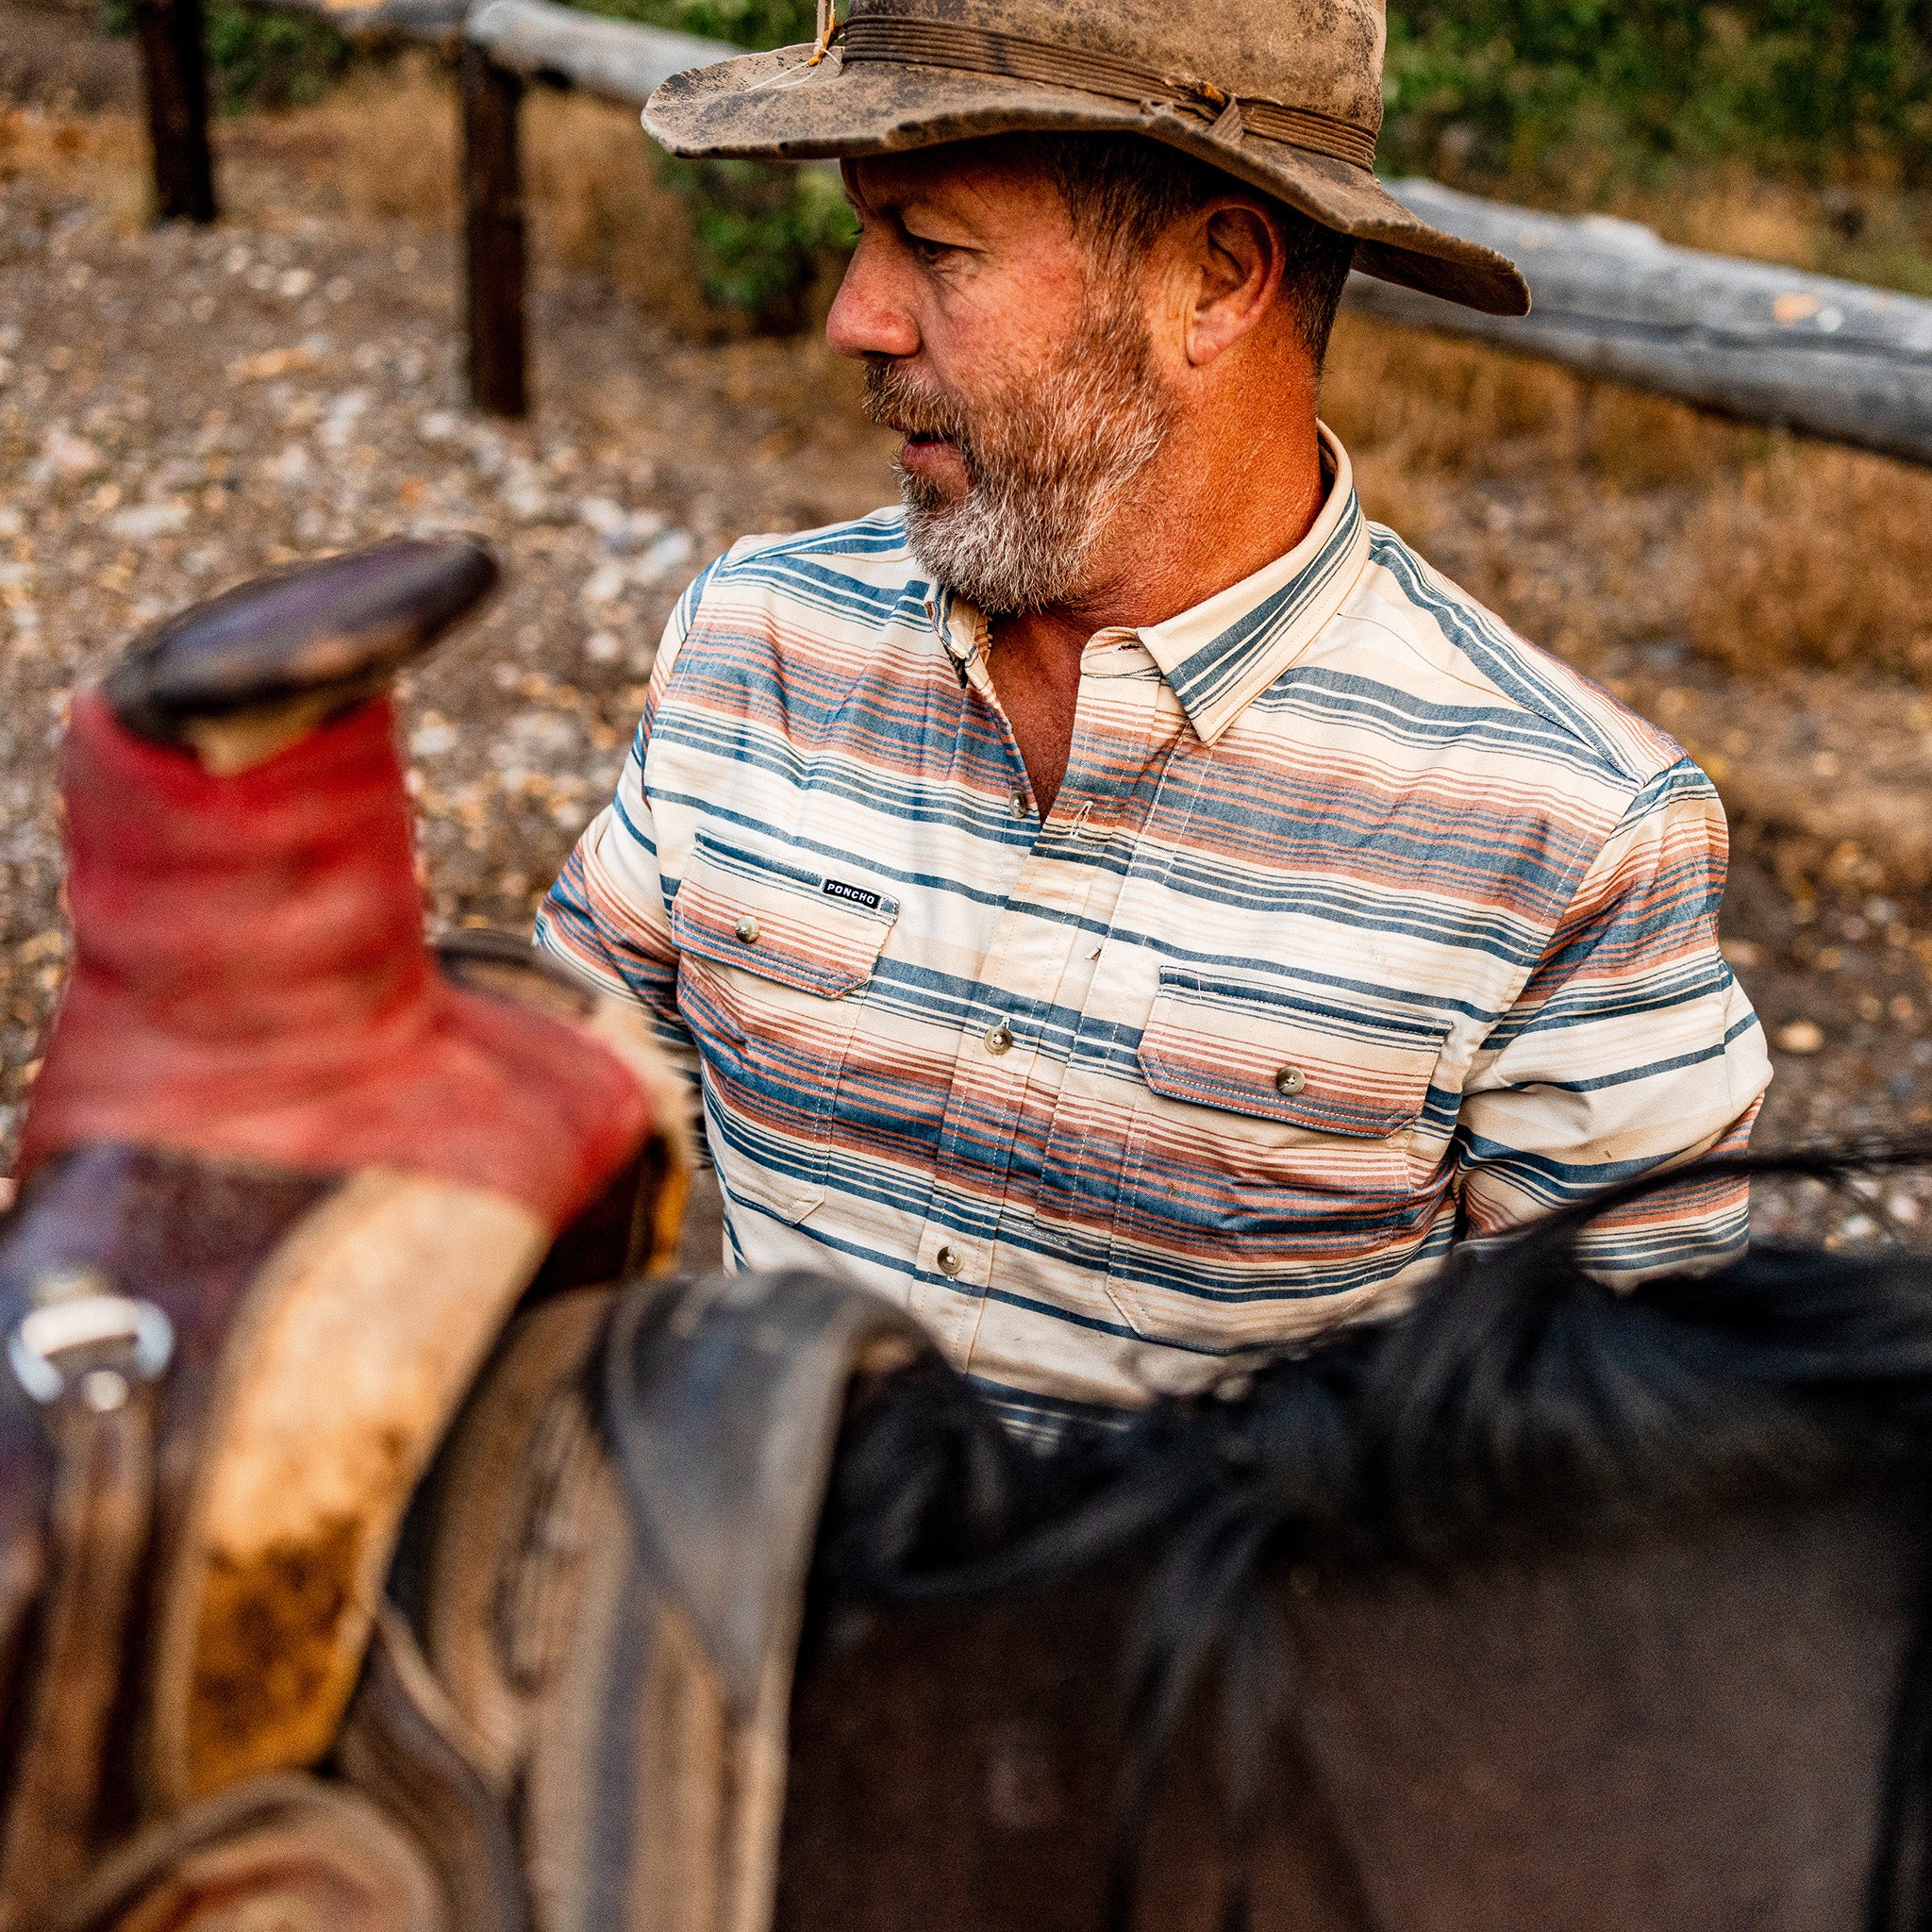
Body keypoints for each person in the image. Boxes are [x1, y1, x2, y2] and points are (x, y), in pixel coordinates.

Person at [540, 0, 1771, 1441]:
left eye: (933, 246)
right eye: (866, 237)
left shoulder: (1566, 831)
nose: (853, 316)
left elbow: (1621, 1487)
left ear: (1216, 279)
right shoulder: (757, 637)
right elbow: (550, 1116)